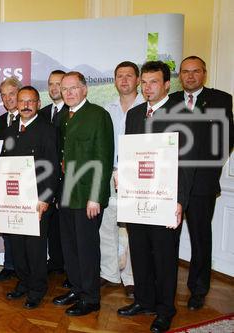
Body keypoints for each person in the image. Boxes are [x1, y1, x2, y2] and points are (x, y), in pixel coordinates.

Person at [117, 61, 195, 333]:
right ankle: (143, 300)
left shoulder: (181, 113)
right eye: (144, 83)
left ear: (166, 85)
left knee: (163, 256)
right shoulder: (136, 113)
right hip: (137, 197)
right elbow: (129, 152)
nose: (147, 87)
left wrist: (180, 200)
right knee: (139, 251)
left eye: (153, 82)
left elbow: (186, 162)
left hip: (166, 199)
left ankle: (165, 310)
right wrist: (122, 176)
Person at [170, 56, 233, 311]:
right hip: (171, 184)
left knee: (200, 238)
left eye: (195, 72)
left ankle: (198, 289)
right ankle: (165, 285)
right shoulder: (171, 101)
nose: (190, 76)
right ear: (180, 76)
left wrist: (206, 170)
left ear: (204, 74)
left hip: (201, 185)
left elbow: (225, 140)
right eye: (185, 72)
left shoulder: (220, 99)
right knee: (167, 239)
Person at [53, 71, 114, 316]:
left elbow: (103, 158)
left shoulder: (98, 115)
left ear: (85, 89)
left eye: (73, 88)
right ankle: (76, 289)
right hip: (66, 194)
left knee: (87, 248)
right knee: (69, 247)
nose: (68, 93)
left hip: (88, 196)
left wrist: (96, 197)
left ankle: (91, 298)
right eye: (64, 88)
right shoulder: (62, 118)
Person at [0, 86, 58, 309]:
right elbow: (2, 165)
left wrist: (45, 199)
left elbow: (52, 168)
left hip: (36, 202)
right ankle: (23, 283)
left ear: (38, 104)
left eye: (30, 101)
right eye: (22, 101)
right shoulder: (11, 129)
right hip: (13, 200)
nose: (25, 105)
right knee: (17, 246)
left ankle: (37, 289)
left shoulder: (47, 130)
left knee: (35, 248)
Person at [100, 61, 144, 297]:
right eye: (119, 76)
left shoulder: (146, 108)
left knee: (132, 228)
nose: (124, 80)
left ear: (137, 79)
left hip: (136, 176)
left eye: (129, 75)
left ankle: (131, 278)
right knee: (106, 225)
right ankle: (109, 273)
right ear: (115, 80)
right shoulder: (108, 108)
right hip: (109, 173)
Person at [0, 76, 22, 281]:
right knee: (6, 225)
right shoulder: (0, 121)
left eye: (11, 93)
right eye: (3, 95)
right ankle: (9, 265)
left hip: (24, 182)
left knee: (21, 226)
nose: (7, 98)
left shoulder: (30, 118)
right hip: (3, 181)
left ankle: (22, 268)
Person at [38, 70, 67, 278]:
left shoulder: (72, 111)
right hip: (46, 180)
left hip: (66, 179)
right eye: (51, 84)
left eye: (58, 84)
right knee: (49, 226)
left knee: (64, 228)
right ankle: (55, 261)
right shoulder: (43, 113)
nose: (54, 88)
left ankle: (66, 267)